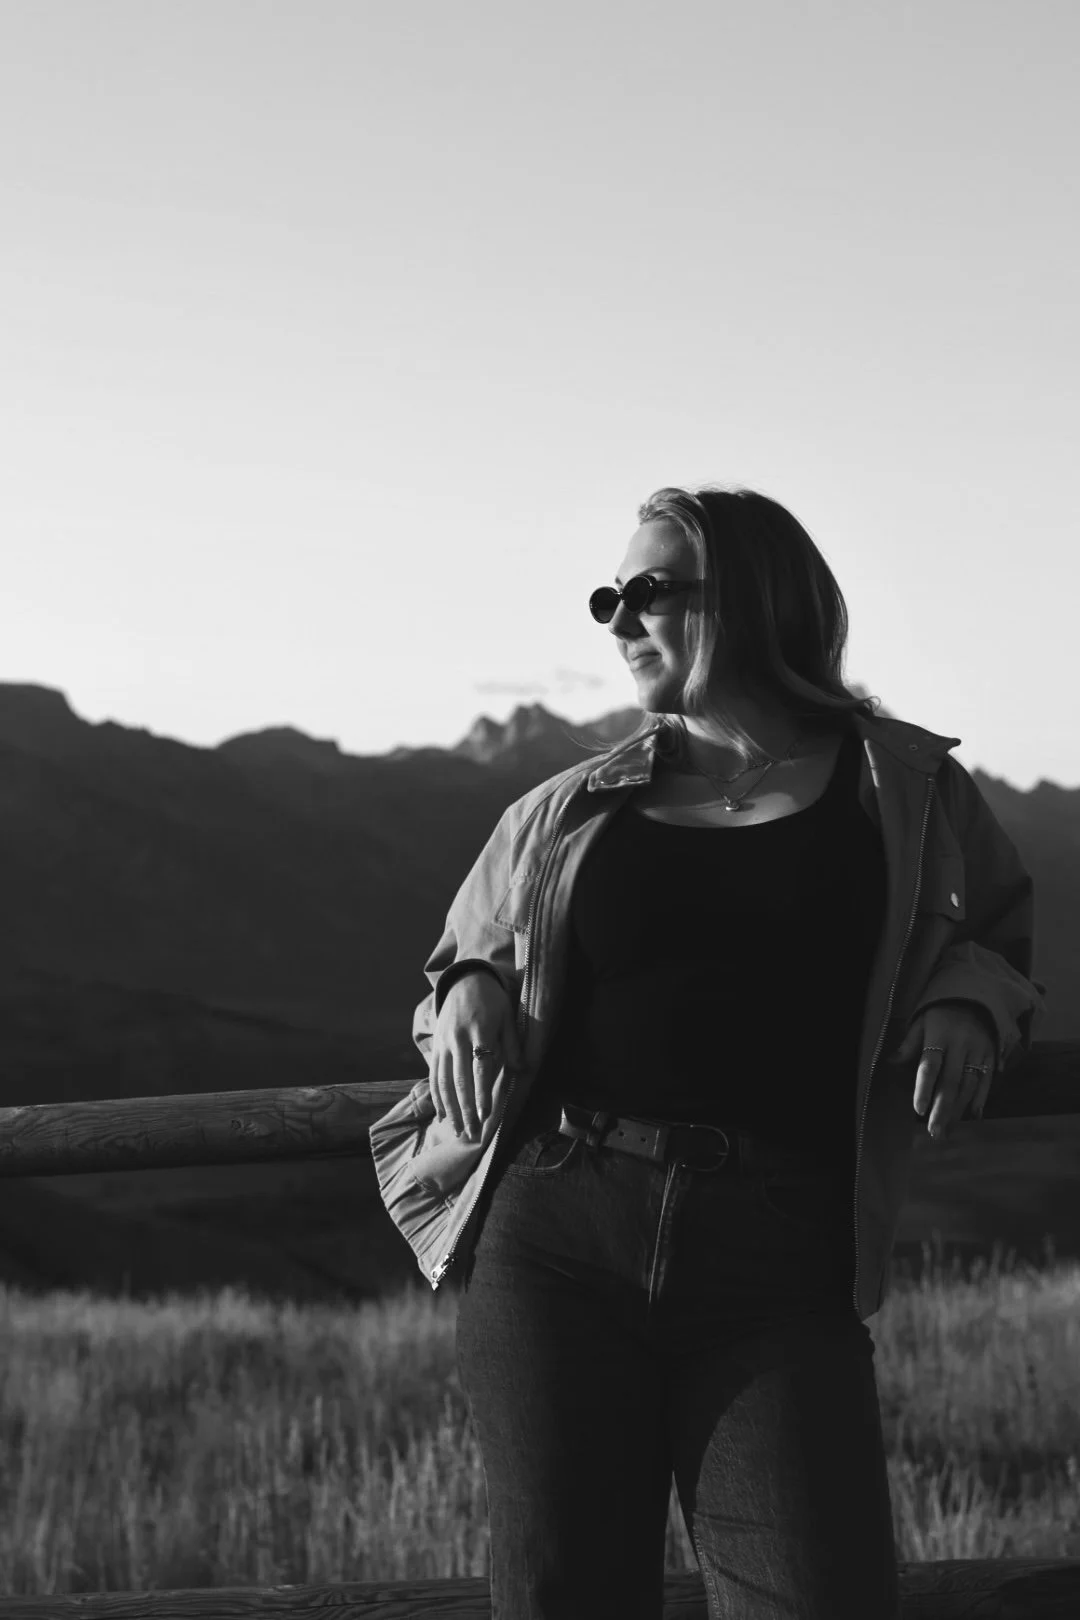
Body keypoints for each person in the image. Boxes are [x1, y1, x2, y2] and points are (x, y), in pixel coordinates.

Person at [368, 485, 1047, 1619]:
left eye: (651, 592)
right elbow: (459, 965)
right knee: (564, 1600)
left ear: (756, 599)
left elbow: (997, 935)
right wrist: (475, 992)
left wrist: (968, 1004)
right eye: (608, 598)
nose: (621, 619)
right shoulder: (567, 808)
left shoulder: (905, 787)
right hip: (558, 1237)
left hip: (778, 1257)